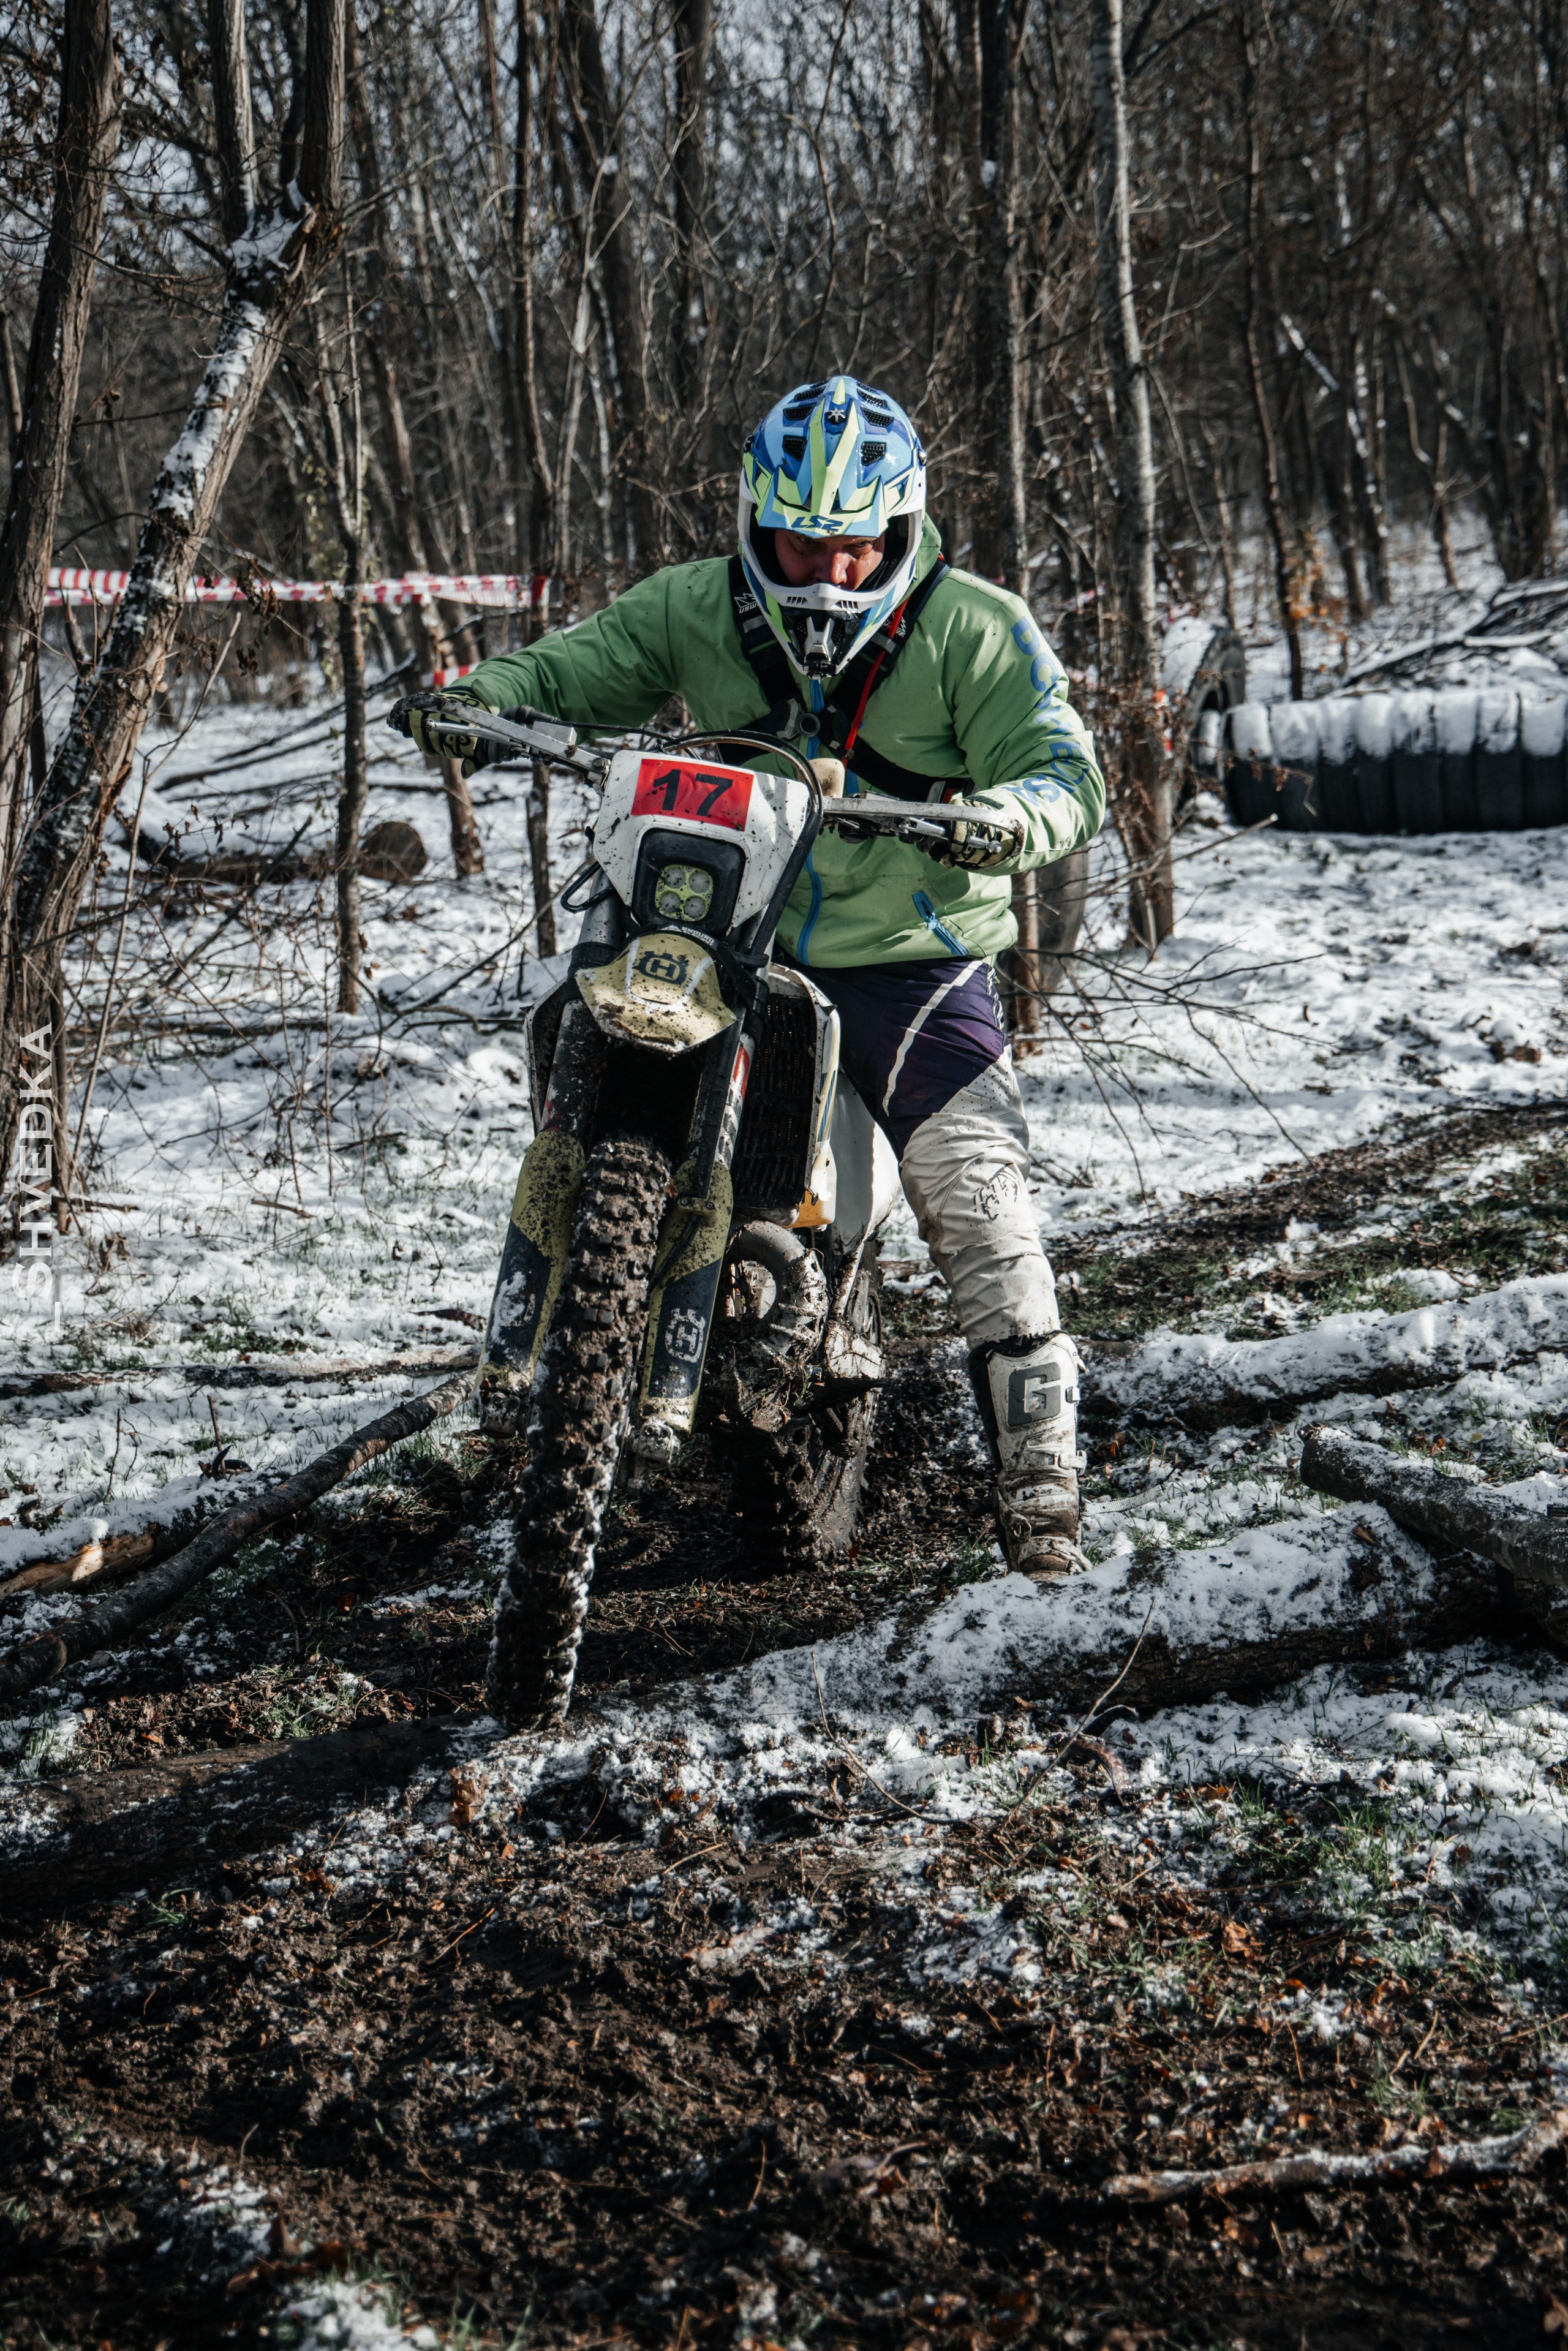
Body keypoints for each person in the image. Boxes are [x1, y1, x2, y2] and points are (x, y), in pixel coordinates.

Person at [394, 375, 1105, 1579]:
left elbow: (1063, 769)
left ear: (895, 528)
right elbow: (577, 669)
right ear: (751, 524)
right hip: (732, 931)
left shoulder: (973, 628)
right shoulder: (693, 606)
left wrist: (1001, 816)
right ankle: (543, 1342)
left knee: (977, 1196)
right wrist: (481, 704)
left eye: (848, 547)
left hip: (909, 962)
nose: (823, 572)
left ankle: (1039, 1476)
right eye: (795, 543)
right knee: (585, 1035)